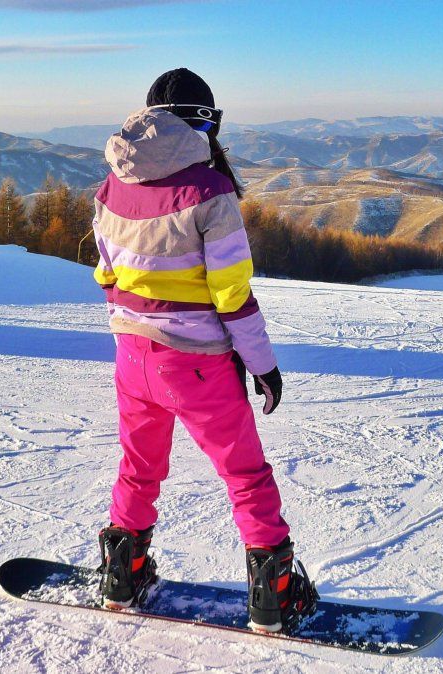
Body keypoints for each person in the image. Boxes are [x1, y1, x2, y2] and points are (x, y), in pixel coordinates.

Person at [90, 68, 316, 633]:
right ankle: (275, 596)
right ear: (205, 123)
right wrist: (263, 366)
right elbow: (232, 296)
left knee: (139, 467)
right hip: (194, 363)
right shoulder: (210, 194)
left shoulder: (112, 184)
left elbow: (106, 274)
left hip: (131, 354)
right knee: (244, 473)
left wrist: (135, 322)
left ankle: (124, 573)